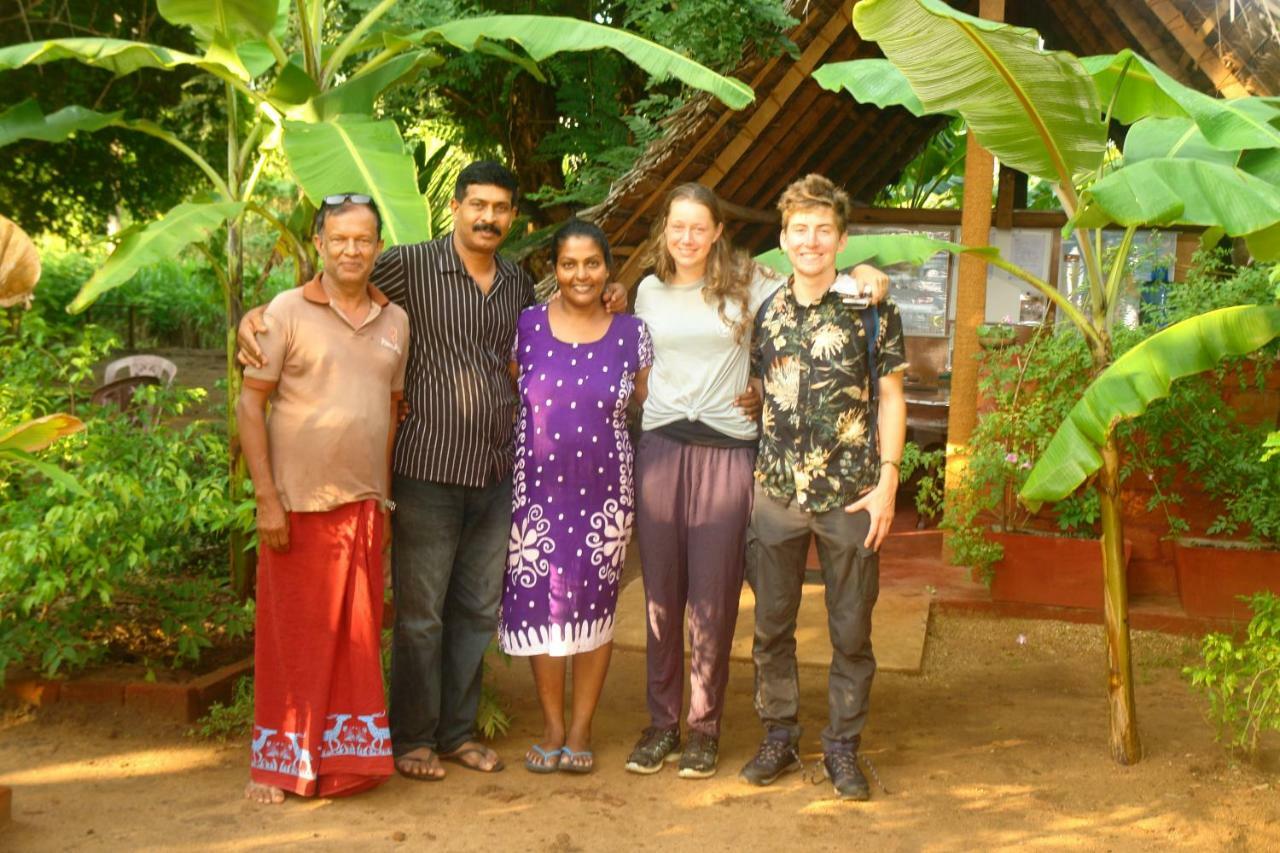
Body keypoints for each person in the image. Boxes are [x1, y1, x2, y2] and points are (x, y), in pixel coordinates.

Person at [237, 161, 627, 781]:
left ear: (512, 217)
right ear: (455, 206)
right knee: (421, 616)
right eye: (478, 204)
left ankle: (457, 734)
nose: (488, 217)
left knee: (476, 610)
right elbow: (339, 281)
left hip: (499, 473)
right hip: (425, 469)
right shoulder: (410, 265)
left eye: (500, 208)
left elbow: (560, 332)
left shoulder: (518, 285)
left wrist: (612, 297)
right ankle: (413, 739)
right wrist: (257, 315)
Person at [625, 183, 889, 780]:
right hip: (663, 448)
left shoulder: (751, 284)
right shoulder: (646, 291)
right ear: (664, 230)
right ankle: (661, 723)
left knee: (715, 598)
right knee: (662, 598)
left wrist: (870, 269)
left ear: (719, 231)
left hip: (729, 452)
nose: (688, 237)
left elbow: (817, 278)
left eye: (700, 227)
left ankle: (704, 728)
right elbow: (641, 367)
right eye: (677, 227)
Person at [738, 174, 906, 802]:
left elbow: (891, 397)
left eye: (822, 230)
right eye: (799, 230)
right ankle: (779, 737)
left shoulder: (872, 307)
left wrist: (889, 479)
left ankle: (842, 748)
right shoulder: (767, 311)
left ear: (840, 238)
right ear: (783, 239)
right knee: (771, 628)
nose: (810, 241)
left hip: (851, 497)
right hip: (777, 495)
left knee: (851, 632)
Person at [238, 194, 407, 803]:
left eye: (363, 240)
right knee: (293, 643)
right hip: (297, 505)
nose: (351, 250)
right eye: (339, 239)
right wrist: (266, 499)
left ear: (378, 247)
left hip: (362, 508)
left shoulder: (395, 322)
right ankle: (278, 767)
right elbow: (249, 405)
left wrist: (383, 504)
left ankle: (341, 766)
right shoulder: (283, 312)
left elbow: (388, 414)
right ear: (319, 245)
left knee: (354, 642)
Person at [499, 220, 652, 774]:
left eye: (592, 263)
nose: (581, 274)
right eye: (569, 264)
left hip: (605, 496)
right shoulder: (526, 327)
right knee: (542, 604)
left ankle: (582, 727)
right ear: (554, 271)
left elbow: (649, 403)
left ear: (608, 269)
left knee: (593, 608)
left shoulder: (633, 333)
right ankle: (553, 726)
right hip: (535, 494)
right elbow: (516, 390)